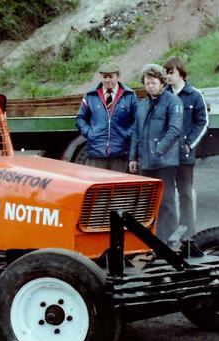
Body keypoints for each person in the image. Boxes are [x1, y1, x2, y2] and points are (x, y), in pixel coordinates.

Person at [129, 64, 183, 242]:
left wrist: (159, 150)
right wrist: (133, 157)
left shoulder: (173, 101)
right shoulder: (142, 105)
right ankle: (152, 240)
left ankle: (170, 239)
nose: (150, 86)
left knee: (167, 202)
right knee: (148, 203)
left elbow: (175, 129)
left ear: (162, 83)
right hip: (146, 163)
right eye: (147, 83)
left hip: (165, 162)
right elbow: (136, 132)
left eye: (153, 82)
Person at [164, 57, 209, 238]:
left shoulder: (194, 95)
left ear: (181, 73)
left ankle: (189, 233)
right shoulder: (163, 95)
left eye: (171, 72)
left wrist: (189, 144)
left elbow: (203, 122)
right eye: (166, 73)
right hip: (165, 155)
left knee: (185, 194)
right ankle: (168, 232)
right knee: (166, 196)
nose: (168, 76)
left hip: (183, 154)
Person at [75, 61, 138, 172]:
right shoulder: (91, 95)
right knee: (98, 187)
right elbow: (80, 118)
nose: (107, 80)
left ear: (118, 76)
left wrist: (127, 134)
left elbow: (137, 120)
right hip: (96, 153)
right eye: (105, 77)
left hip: (120, 153)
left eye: (111, 76)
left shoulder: (129, 96)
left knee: (118, 187)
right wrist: (90, 133)